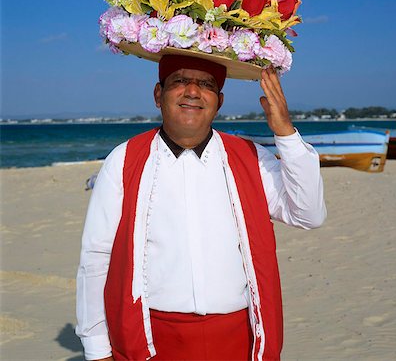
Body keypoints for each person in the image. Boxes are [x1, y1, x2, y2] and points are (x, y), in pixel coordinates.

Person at [75, 54, 327, 361]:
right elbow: (96, 256)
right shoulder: (124, 159)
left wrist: (285, 131)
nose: (192, 91)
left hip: (239, 338)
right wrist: (96, 347)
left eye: (206, 84)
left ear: (219, 101)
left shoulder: (251, 158)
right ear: (158, 94)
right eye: (180, 81)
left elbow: (308, 214)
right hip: (152, 337)